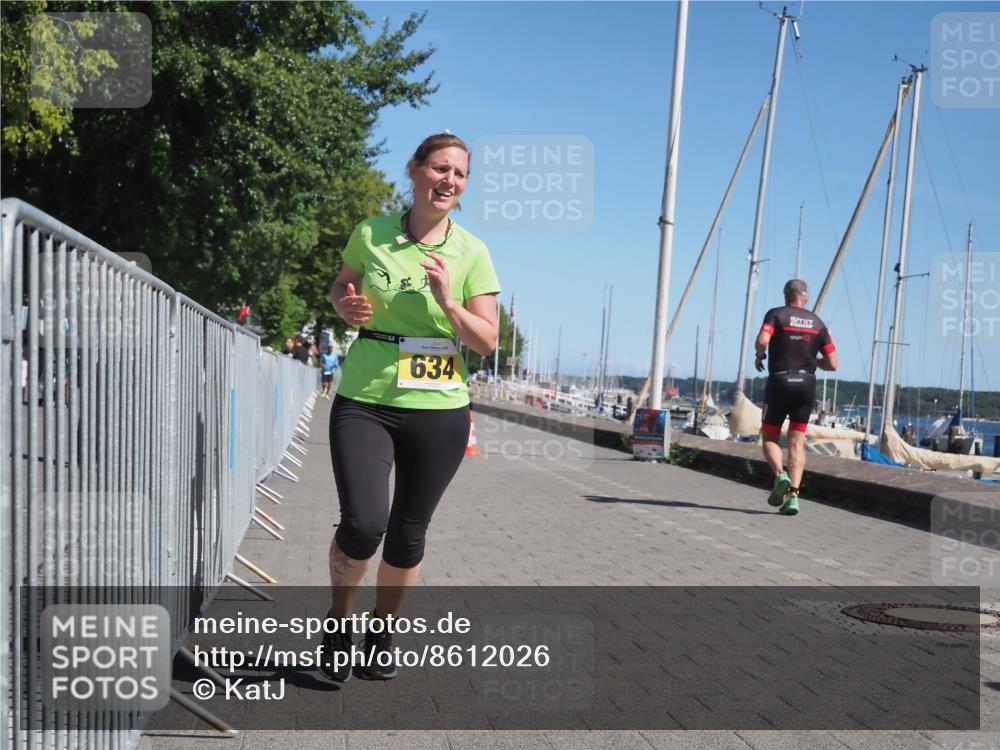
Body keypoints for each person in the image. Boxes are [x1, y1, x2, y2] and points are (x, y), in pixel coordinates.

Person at [321, 133, 500, 682]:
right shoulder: (370, 232)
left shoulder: (472, 252)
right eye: (441, 168)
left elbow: (487, 340)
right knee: (364, 523)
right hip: (366, 397)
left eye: (460, 174)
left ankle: (381, 633)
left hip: (439, 407)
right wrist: (346, 305)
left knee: (408, 531)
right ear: (415, 170)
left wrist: (448, 302)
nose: (450, 180)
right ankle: (339, 620)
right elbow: (341, 286)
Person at [754, 279, 838, 516]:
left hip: (780, 382)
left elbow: (762, 340)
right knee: (796, 442)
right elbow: (833, 364)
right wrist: (815, 361)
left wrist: (759, 355)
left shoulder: (776, 315)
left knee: (770, 437)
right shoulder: (818, 323)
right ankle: (793, 496)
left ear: (785, 295)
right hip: (806, 385)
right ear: (806, 297)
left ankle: (780, 475)